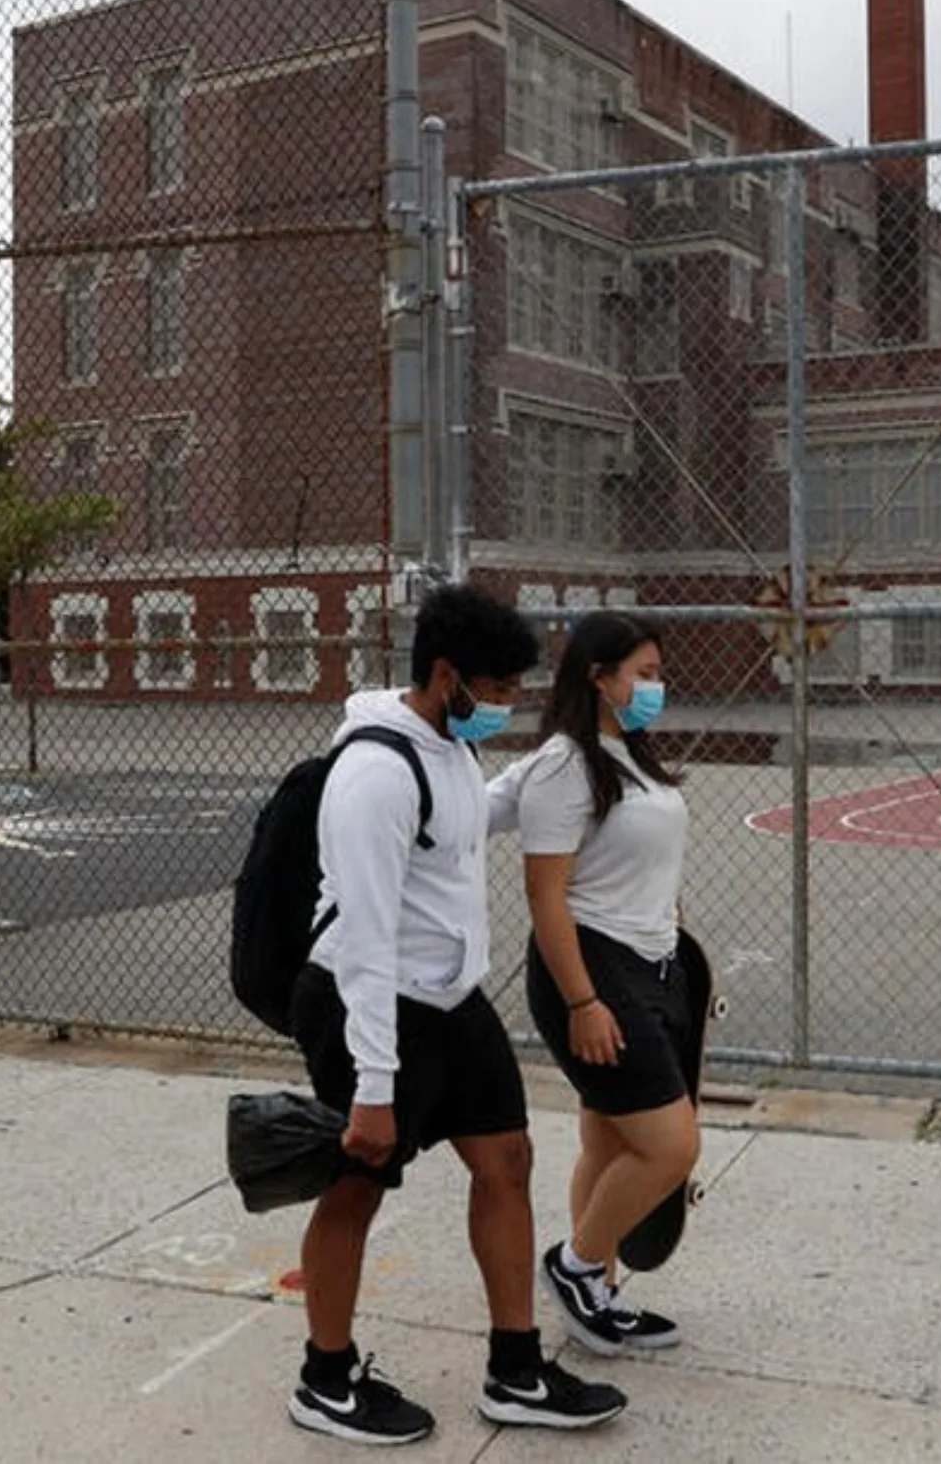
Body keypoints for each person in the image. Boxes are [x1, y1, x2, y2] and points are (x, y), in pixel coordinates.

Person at [287, 583, 626, 1444]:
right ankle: (325, 1380)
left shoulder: (448, 747)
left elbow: (474, 816)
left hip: (448, 1000)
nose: (507, 703)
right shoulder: (372, 774)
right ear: (446, 676)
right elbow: (362, 938)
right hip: (371, 1005)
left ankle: (516, 1371)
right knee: (356, 1184)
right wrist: (373, 1084)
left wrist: (554, 766)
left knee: (507, 1160)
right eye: (499, 688)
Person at [503, 610, 697, 1356]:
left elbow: (643, 861)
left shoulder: (631, 753)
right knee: (670, 1147)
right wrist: (584, 1001)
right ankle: (577, 1265)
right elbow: (545, 893)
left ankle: (596, 1298)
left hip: (652, 963)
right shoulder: (564, 763)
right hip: (592, 970)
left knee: (612, 1141)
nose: (656, 686)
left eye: (657, 672)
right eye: (643, 674)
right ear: (597, 676)